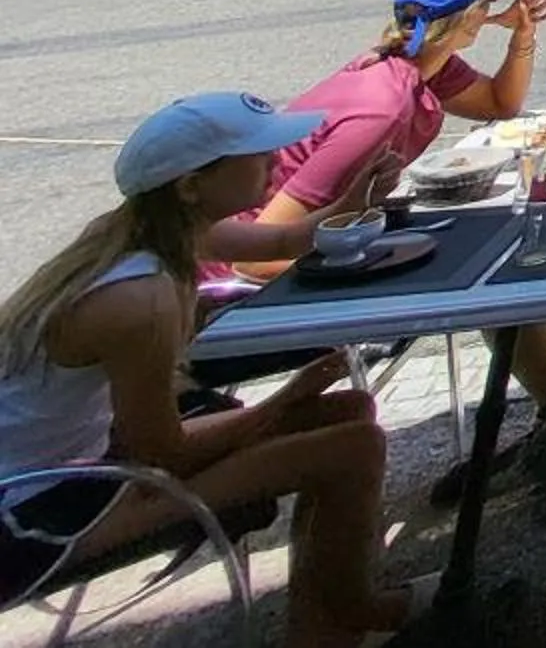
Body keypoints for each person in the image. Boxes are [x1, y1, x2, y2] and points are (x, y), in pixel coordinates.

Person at [0, 93, 434, 644]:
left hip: (73, 468)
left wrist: (356, 197)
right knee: (353, 447)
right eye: (256, 155)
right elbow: (162, 453)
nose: (275, 162)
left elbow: (284, 238)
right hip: (29, 515)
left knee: (350, 412)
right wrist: (281, 405)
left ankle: (332, 618)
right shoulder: (141, 299)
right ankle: (343, 619)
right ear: (190, 186)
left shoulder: (145, 231)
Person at [211, 0, 546, 497]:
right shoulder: (378, 106)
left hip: (313, 247)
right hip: (234, 302)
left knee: (488, 260)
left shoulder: (420, 63)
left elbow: (500, 102)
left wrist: (522, 35)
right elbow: (254, 255)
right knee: (486, 271)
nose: (496, 6)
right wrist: (381, 259)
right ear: (470, 15)